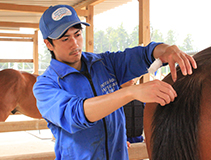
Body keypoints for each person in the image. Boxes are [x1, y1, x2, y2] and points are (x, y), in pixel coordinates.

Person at [33, 4, 197, 160]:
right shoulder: (45, 87)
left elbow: (142, 55)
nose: (75, 44)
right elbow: (76, 114)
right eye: (65, 39)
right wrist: (132, 92)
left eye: (77, 34)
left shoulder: (103, 63)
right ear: (49, 44)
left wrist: (166, 50)